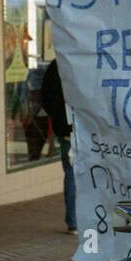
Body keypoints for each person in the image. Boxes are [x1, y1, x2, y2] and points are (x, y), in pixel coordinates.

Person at [40, 58, 76, 233]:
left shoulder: (57, 65)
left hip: (65, 129)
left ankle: (74, 221)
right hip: (86, 129)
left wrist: (57, 117)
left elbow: (45, 96)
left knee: (71, 173)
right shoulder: (87, 59)